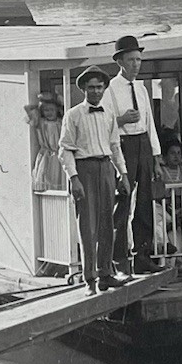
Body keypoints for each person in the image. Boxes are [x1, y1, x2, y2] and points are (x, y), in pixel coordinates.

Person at [60, 66, 131, 293]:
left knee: (107, 224)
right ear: (83, 89)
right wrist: (74, 178)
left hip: (106, 169)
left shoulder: (109, 113)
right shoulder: (73, 115)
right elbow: (65, 150)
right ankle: (89, 279)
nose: (96, 91)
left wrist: (123, 174)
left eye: (99, 87)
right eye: (91, 87)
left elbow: (115, 146)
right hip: (85, 170)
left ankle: (105, 275)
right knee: (88, 226)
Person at [104, 35, 164, 275]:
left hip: (143, 146)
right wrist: (121, 120)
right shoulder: (110, 89)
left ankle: (143, 256)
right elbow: (102, 123)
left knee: (144, 204)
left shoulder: (141, 88)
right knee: (123, 203)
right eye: (131, 60)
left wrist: (156, 158)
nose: (136, 64)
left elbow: (150, 123)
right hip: (122, 145)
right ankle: (120, 261)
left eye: (139, 59)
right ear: (120, 61)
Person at [25, 91, 66, 193]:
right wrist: (42, 99)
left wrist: (59, 100)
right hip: (46, 156)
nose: (49, 112)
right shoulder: (41, 122)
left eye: (52, 109)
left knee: (59, 179)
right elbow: (28, 109)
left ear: (57, 110)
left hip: (59, 155)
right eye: (46, 110)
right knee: (46, 180)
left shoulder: (61, 122)